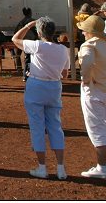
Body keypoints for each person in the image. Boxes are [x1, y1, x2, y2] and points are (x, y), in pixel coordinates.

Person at [13, 16, 71, 180]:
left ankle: (42, 167)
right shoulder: (62, 50)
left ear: (39, 32)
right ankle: (60, 168)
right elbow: (64, 74)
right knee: (55, 126)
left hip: (37, 86)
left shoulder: (37, 45)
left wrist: (28, 25)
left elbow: (15, 39)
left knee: (37, 126)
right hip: (54, 87)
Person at [76, 14, 106, 179]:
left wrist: (85, 79)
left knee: (96, 128)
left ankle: (101, 167)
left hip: (96, 90)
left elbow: (87, 62)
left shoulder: (89, 45)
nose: (82, 33)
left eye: (84, 30)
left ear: (89, 31)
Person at [13, 7, 38, 81]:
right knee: (29, 59)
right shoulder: (33, 21)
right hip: (31, 42)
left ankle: (21, 70)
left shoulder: (21, 22)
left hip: (23, 42)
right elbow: (37, 32)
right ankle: (26, 75)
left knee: (25, 58)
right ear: (30, 13)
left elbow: (16, 31)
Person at [73, 3, 94, 79]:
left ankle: (80, 69)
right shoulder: (91, 17)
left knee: (81, 53)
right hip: (88, 37)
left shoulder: (78, 17)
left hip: (80, 37)